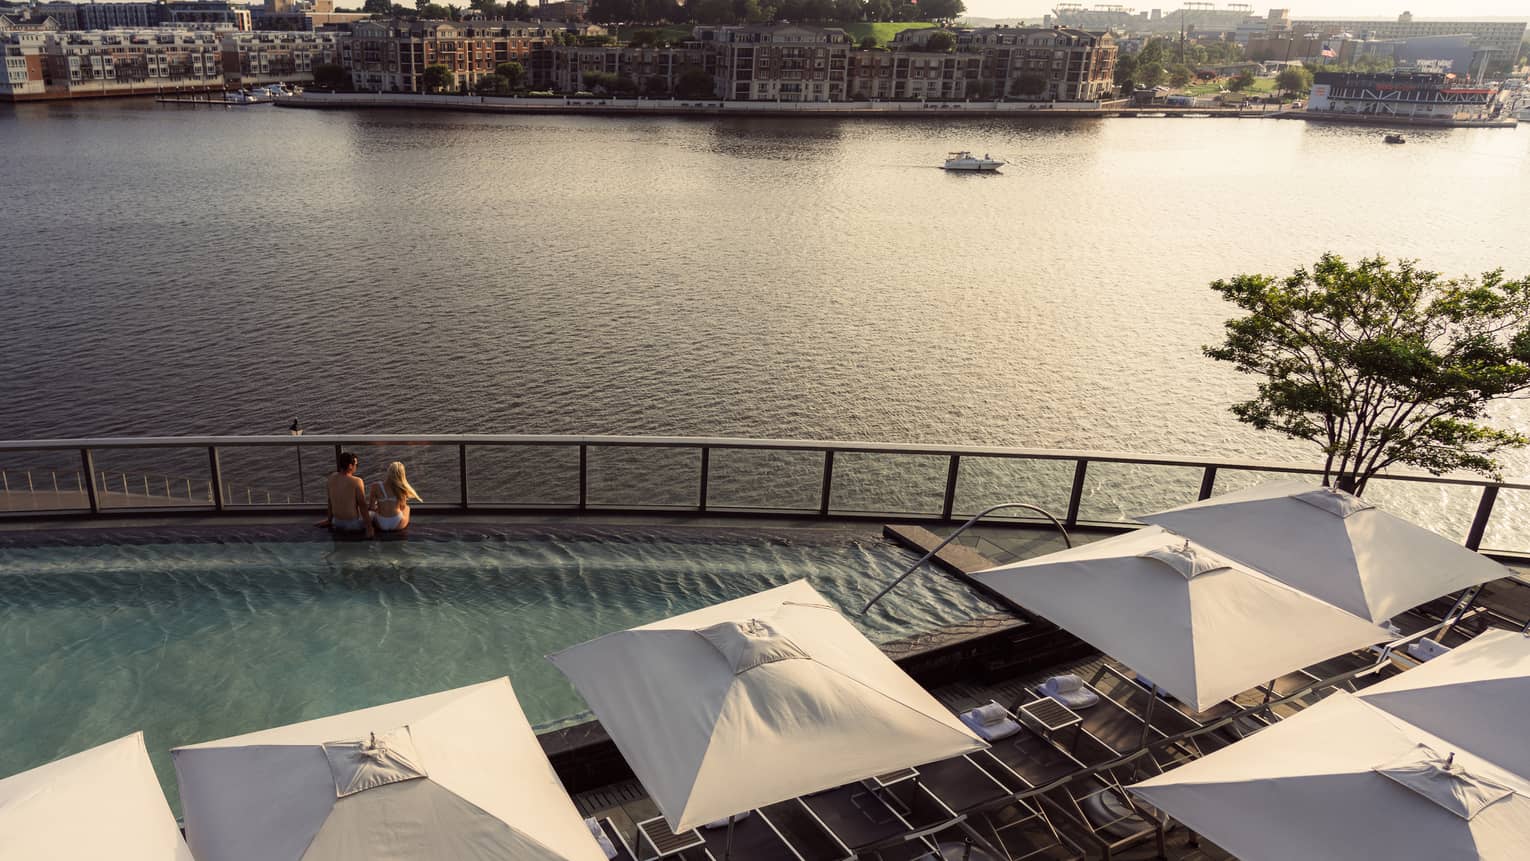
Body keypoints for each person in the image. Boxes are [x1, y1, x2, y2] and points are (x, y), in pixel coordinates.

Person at [323, 451, 371, 537]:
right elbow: (362, 505)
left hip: (337, 522)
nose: (356, 467)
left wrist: (329, 520)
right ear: (350, 466)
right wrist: (369, 527)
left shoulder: (331, 478)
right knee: (373, 514)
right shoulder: (357, 481)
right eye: (356, 465)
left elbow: (330, 501)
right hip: (353, 525)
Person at [368, 461, 421, 533]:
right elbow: (402, 507)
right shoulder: (401, 488)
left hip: (381, 523)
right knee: (407, 508)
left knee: (372, 513)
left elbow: (372, 507)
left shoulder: (376, 486)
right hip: (397, 523)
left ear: (388, 472)